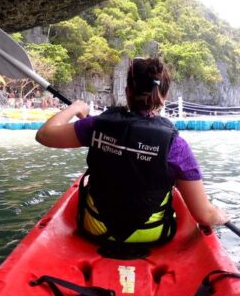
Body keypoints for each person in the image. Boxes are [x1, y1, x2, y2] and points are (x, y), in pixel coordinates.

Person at [36, 57, 229, 245]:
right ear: (165, 95)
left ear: (127, 91)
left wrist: (75, 107)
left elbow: (44, 135)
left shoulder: (96, 126)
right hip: (152, 235)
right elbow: (204, 215)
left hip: (95, 228)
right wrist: (220, 215)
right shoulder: (176, 146)